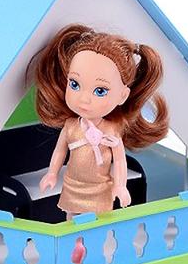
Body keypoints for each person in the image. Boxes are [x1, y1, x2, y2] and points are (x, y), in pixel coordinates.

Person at [28, 24, 169, 217]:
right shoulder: (71, 126)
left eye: (100, 91)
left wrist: (120, 186)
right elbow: (60, 151)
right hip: (73, 185)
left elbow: (119, 160)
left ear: (122, 95)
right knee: (70, 218)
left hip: (100, 188)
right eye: (74, 84)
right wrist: (52, 173)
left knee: (99, 222)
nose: (84, 99)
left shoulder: (111, 130)